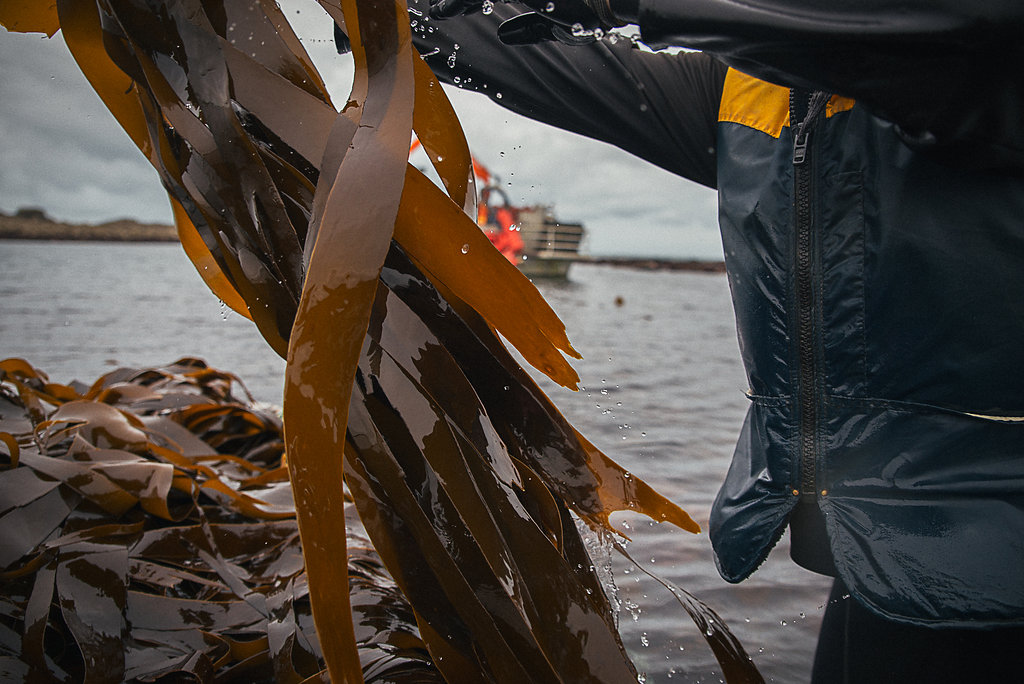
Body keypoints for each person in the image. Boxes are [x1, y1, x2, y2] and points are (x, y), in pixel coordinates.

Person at [351, 1, 1024, 680]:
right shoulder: (757, 89)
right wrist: (383, 13)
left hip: (999, 553)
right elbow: (548, 60)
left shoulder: (970, 49)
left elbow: (956, 30)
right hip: (876, 551)